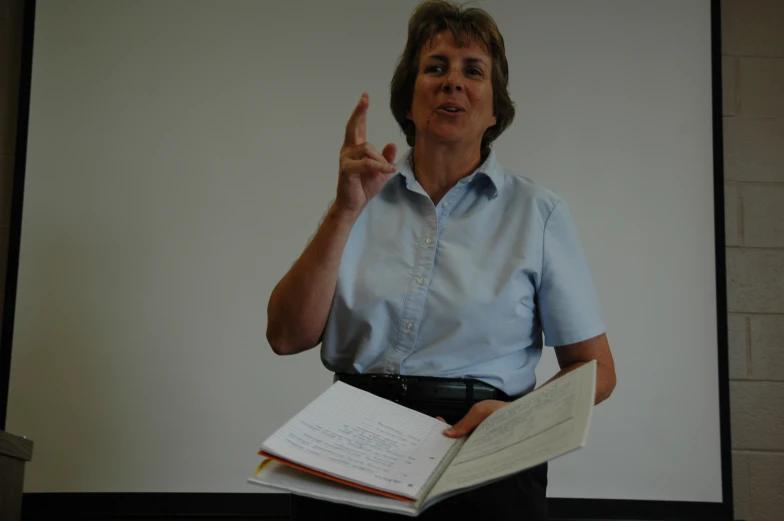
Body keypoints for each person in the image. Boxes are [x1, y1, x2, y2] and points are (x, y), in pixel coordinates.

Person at [266, 1, 616, 519]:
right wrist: (344, 210)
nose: (452, 81)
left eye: (472, 70)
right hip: (355, 429)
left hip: (484, 437)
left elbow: (596, 369)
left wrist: (519, 417)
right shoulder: (358, 199)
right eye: (435, 68)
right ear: (408, 102)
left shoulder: (538, 213)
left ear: (496, 110)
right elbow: (285, 336)